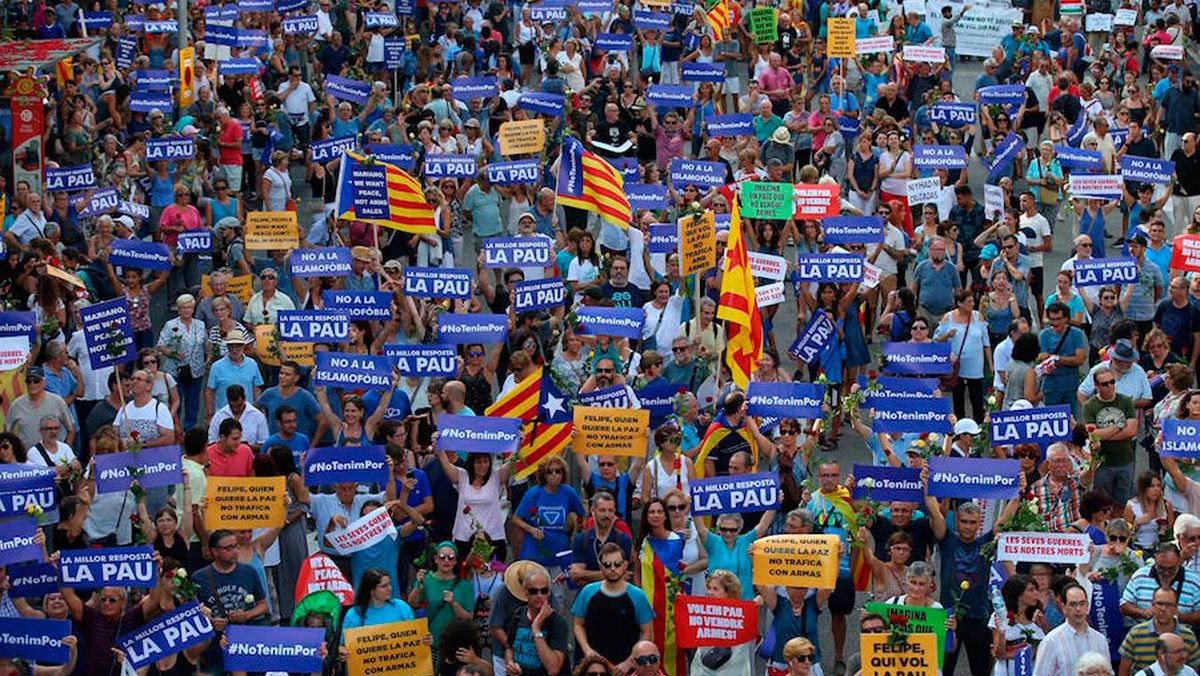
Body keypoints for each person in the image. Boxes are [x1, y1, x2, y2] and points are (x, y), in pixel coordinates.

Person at [571, 542, 654, 670]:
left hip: (626, 668)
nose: (613, 569)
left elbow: (647, 632)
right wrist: (587, 650)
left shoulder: (638, 596)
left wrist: (630, 662)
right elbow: (577, 624)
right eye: (607, 565)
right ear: (600, 566)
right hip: (594, 666)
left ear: (625, 565)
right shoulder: (588, 592)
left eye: (617, 564)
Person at [1118, 587, 1200, 675]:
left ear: (1175, 608)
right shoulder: (1135, 634)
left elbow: (1194, 670)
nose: (1163, 608)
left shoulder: (1188, 636)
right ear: (1152, 606)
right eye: (1159, 604)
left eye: (1168, 604)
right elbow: (1124, 671)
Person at [503, 568, 568, 676]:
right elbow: (509, 648)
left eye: (544, 591)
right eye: (534, 591)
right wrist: (510, 663)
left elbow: (553, 669)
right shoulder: (518, 614)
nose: (539, 595)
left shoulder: (557, 622)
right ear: (525, 592)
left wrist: (536, 628)